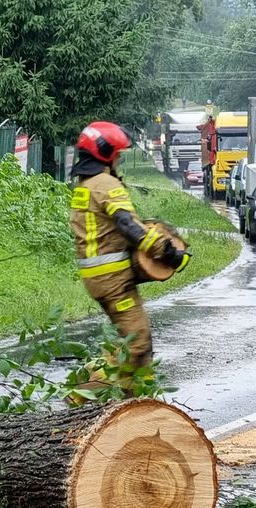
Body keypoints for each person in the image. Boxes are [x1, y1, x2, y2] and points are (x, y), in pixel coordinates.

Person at [69, 121, 189, 387]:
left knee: (132, 341)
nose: (119, 159)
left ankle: (139, 400)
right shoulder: (105, 185)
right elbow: (127, 224)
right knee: (137, 343)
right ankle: (82, 395)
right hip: (113, 280)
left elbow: (110, 229)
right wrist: (164, 250)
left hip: (100, 278)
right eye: (118, 155)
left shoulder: (86, 185)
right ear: (105, 153)